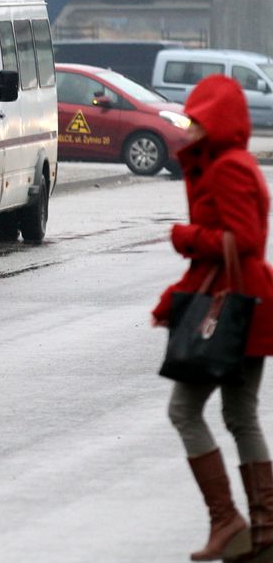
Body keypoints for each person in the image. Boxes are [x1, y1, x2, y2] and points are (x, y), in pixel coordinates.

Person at [153, 74, 273, 562]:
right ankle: (263, 532)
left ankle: (228, 521)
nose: (188, 129)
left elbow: (240, 241)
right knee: (240, 415)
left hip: (232, 308)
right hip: (249, 304)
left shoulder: (226, 168)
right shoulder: (232, 163)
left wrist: (186, 236)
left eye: (196, 120)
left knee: (184, 411)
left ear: (217, 121)